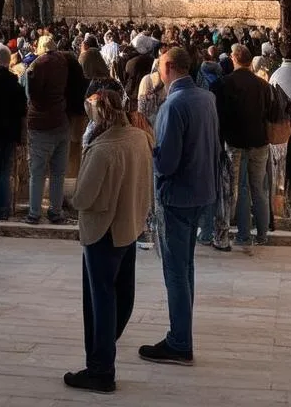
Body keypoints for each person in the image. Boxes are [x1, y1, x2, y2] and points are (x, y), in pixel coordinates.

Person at [64, 85, 153, 393]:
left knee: (99, 300)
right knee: (121, 295)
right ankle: (105, 346)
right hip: (129, 224)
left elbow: (82, 196)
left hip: (103, 230)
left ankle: (101, 368)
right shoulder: (139, 137)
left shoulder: (104, 148)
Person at [140, 46, 218, 365]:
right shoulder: (206, 98)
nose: (158, 72)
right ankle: (181, 334)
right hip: (202, 191)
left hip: (176, 196)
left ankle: (180, 341)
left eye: (160, 66)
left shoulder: (174, 104)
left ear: (169, 66)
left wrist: (148, 141)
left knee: (175, 269)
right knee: (186, 268)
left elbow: (166, 163)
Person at [214, 44, 272, 247]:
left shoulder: (225, 83)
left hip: (235, 142)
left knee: (236, 188)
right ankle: (262, 234)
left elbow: (219, 116)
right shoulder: (263, 85)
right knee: (258, 187)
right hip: (260, 142)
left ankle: (241, 234)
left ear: (234, 58)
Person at [25, 40, 86, 224]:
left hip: (41, 125)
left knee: (37, 172)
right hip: (62, 121)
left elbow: (32, 94)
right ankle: (55, 211)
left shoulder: (39, 66)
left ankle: (34, 212)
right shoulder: (64, 63)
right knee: (58, 172)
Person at [0, 43, 27, 221]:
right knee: (5, 171)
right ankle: (3, 209)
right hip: (10, 133)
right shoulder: (15, 85)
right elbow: (22, 112)